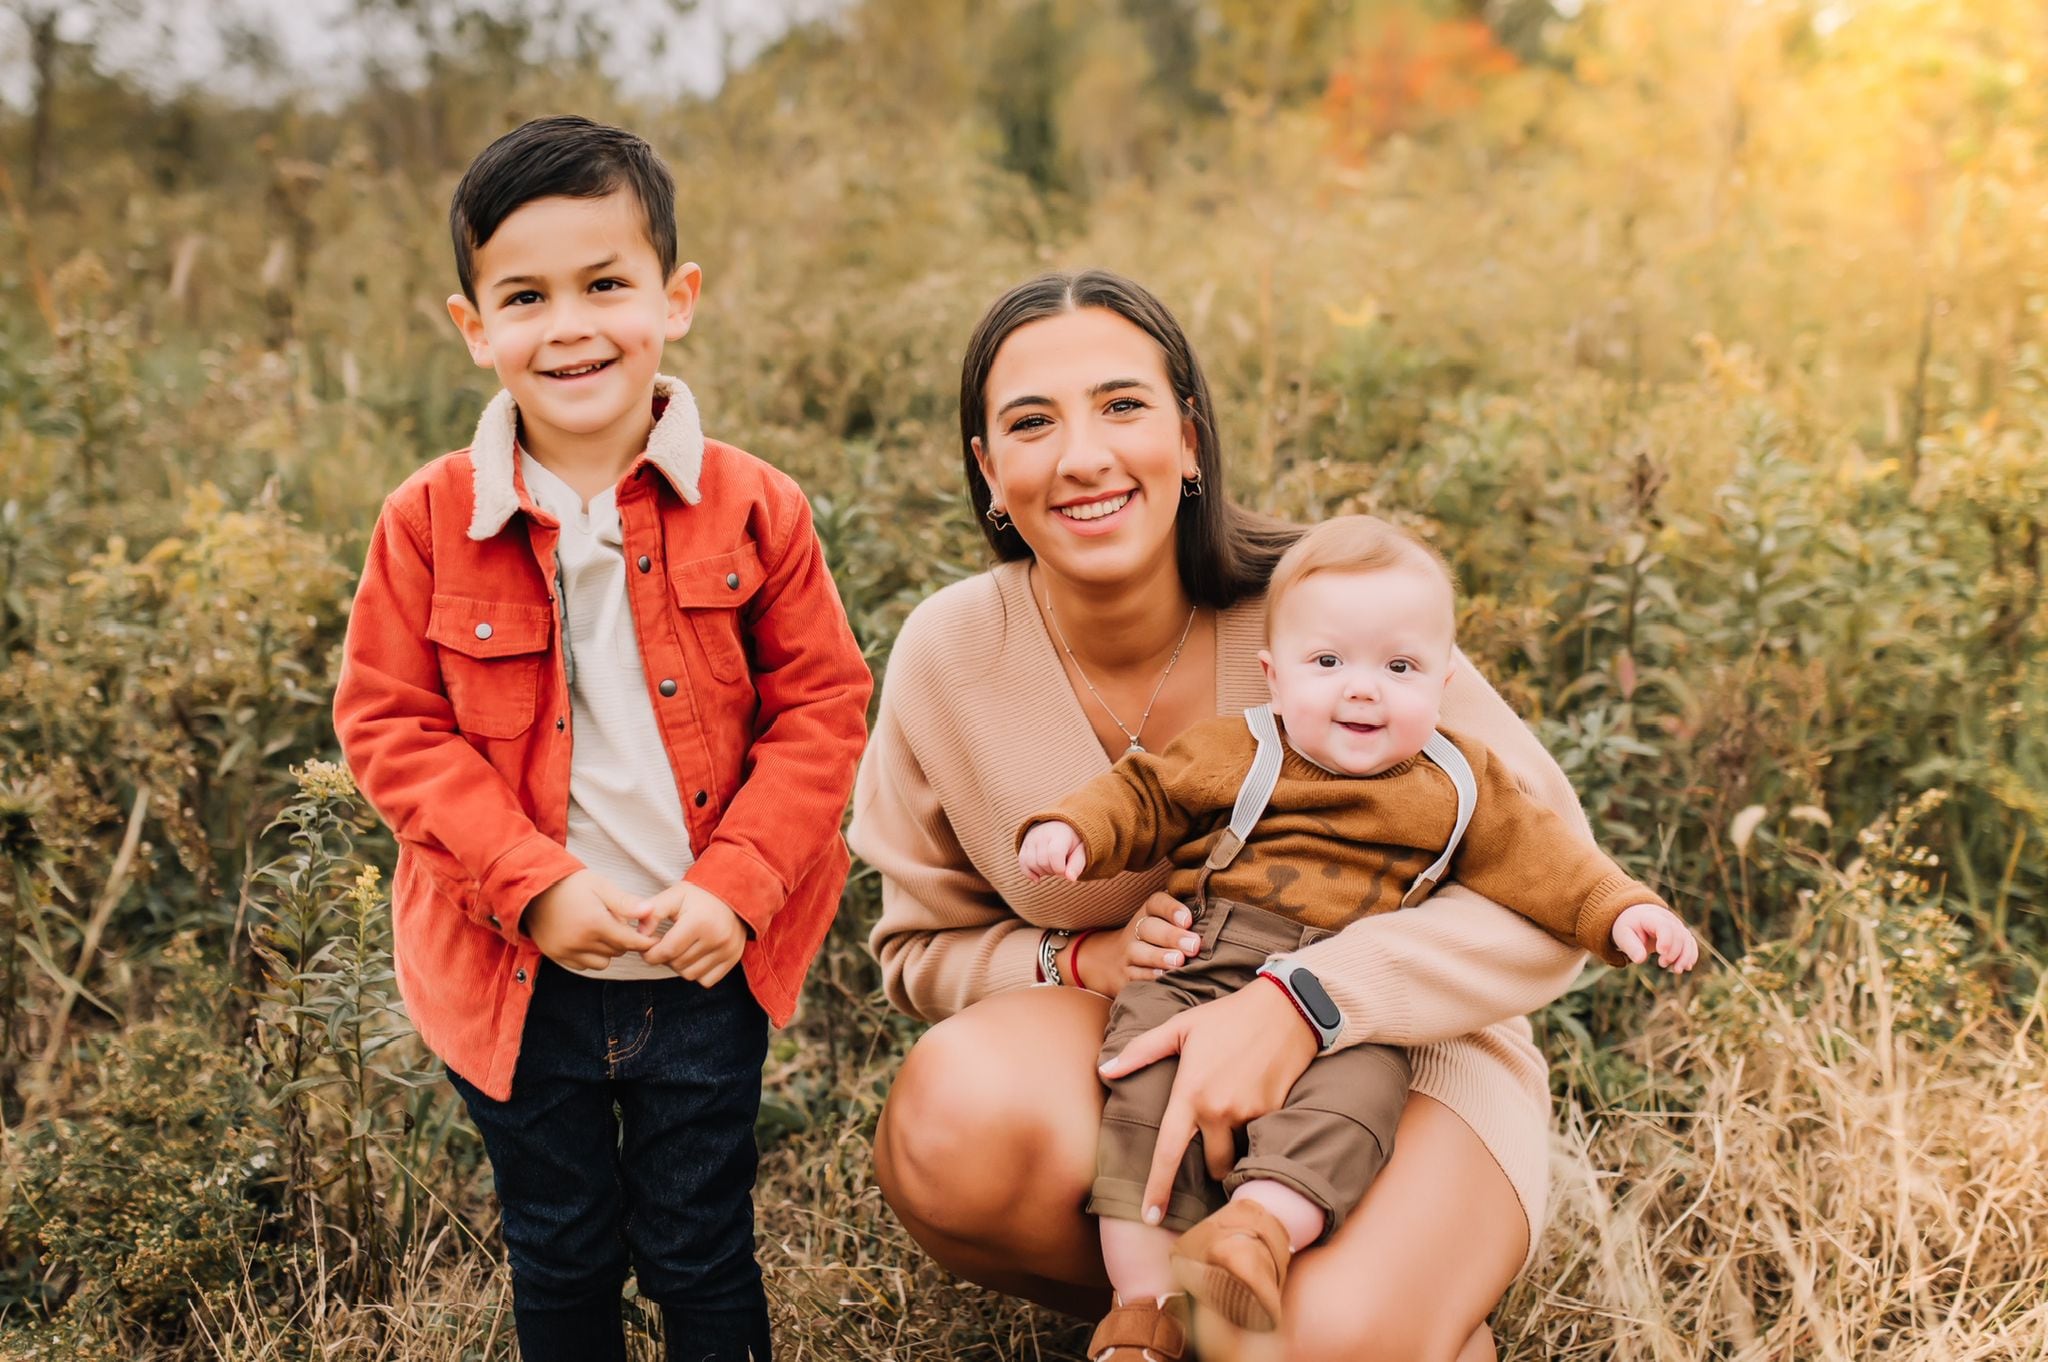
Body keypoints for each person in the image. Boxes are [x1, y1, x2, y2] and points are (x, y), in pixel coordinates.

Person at [847, 269, 1640, 1362]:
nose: (1081, 455)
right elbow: (919, 948)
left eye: (1122, 406)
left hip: (1400, 1056)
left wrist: (1304, 1001)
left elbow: (1556, 894)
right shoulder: (949, 655)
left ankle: (1355, 1299)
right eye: (1030, 423)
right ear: (988, 471)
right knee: (953, 1122)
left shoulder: (1333, 614)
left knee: (1314, 1345)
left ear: (1188, 438)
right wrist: (1078, 964)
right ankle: (1177, 1305)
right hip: (1141, 1039)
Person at [332, 115, 871, 1362]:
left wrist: (736, 890)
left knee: (700, 1244)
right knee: (560, 1245)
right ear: (474, 327)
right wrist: (534, 887)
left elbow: (822, 710)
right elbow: (391, 725)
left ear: (674, 300)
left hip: (704, 969)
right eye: (524, 295)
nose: (568, 326)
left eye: (605, 285)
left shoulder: (757, 505)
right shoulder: (426, 522)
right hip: (517, 978)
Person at [1015, 514, 1698, 1351]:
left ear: (1445, 681)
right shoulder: (1241, 749)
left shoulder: (1458, 782)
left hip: (1345, 999)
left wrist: (1625, 909)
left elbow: (1548, 860)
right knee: (1143, 1099)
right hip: (1206, 956)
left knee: (1355, 1106)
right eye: (1328, 663)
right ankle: (1143, 1304)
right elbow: (1144, 795)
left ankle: (1258, 1229)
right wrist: (1076, 832)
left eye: (1399, 666)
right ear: (1273, 676)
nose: (1363, 689)